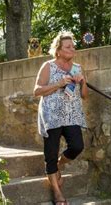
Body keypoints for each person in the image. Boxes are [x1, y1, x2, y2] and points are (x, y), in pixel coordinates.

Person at [33, 31, 88, 205]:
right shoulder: (48, 66)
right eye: (68, 46)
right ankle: (58, 193)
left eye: (73, 46)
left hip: (71, 115)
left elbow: (84, 96)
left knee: (77, 146)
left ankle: (59, 165)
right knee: (50, 153)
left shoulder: (77, 68)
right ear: (58, 50)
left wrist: (83, 82)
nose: (72, 49)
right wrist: (59, 83)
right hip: (51, 115)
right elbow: (36, 91)